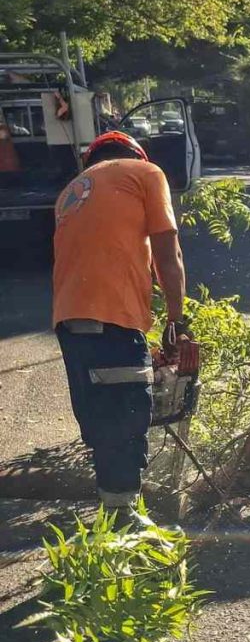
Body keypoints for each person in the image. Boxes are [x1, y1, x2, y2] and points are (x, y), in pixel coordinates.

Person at [53, 131, 193, 508]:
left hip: (68, 320)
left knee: (101, 421)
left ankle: (112, 507)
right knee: (126, 417)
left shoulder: (71, 192)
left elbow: (103, 251)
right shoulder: (147, 173)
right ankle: (122, 522)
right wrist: (176, 321)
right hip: (111, 316)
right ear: (135, 155)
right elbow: (168, 253)